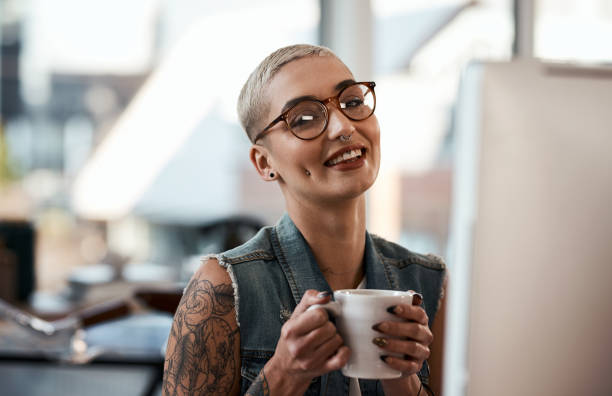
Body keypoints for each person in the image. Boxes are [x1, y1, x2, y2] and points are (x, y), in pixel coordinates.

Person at [162, 44, 447, 396]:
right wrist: (285, 373)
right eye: (304, 119)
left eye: (353, 102)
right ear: (264, 163)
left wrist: (402, 377)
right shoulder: (222, 289)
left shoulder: (429, 282)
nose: (344, 126)